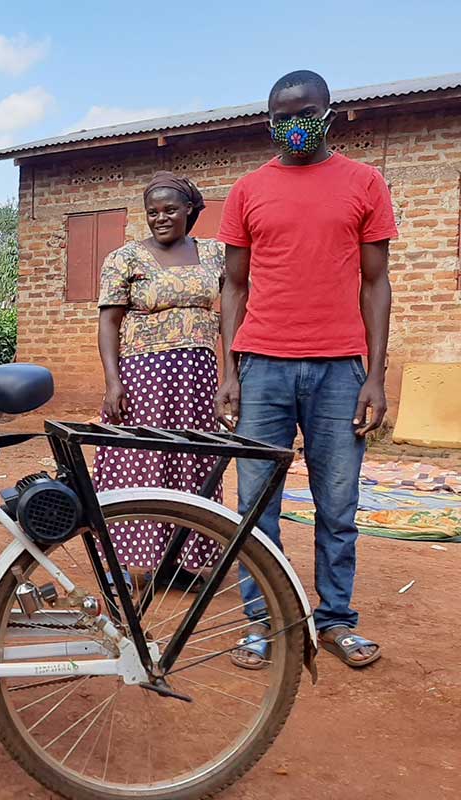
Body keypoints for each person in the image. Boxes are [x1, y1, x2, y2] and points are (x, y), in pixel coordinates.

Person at [216, 70, 395, 670]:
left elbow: (376, 284)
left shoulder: (365, 183)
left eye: (304, 111)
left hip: (340, 370)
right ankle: (259, 624)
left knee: (337, 504)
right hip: (263, 366)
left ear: (328, 113)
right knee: (254, 506)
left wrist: (375, 374)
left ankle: (337, 621)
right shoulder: (247, 190)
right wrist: (229, 371)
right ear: (269, 120)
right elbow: (233, 288)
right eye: (280, 114)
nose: (292, 123)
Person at [92, 172, 225, 581]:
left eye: (170, 210)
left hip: (197, 376)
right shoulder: (124, 258)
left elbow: (236, 307)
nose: (161, 218)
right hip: (142, 375)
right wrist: (113, 382)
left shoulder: (216, 254)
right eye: (153, 212)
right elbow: (108, 323)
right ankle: (124, 561)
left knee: (191, 464)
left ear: (189, 210)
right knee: (139, 463)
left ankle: (181, 562)